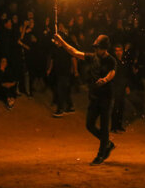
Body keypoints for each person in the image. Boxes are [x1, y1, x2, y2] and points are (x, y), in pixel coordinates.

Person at [54, 33, 117, 166]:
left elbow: (112, 72)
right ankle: (107, 143)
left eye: (98, 47)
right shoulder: (92, 57)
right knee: (89, 124)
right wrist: (62, 41)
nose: (96, 50)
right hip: (94, 97)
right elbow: (75, 52)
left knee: (105, 127)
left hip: (106, 97)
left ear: (105, 48)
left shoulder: (111, 60)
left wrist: (105, 79)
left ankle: (100, 155)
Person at [111, 44, 130, 133]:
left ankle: (119, 125)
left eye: (120, 50)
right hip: (116, 86)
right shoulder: (114, 62)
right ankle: (113, 127)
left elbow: (125, 75)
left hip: (122, 86)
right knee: (116, 107)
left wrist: (126, 86)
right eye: (117, 51)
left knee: (121, 106)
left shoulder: (123, 61)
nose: (119, 52)